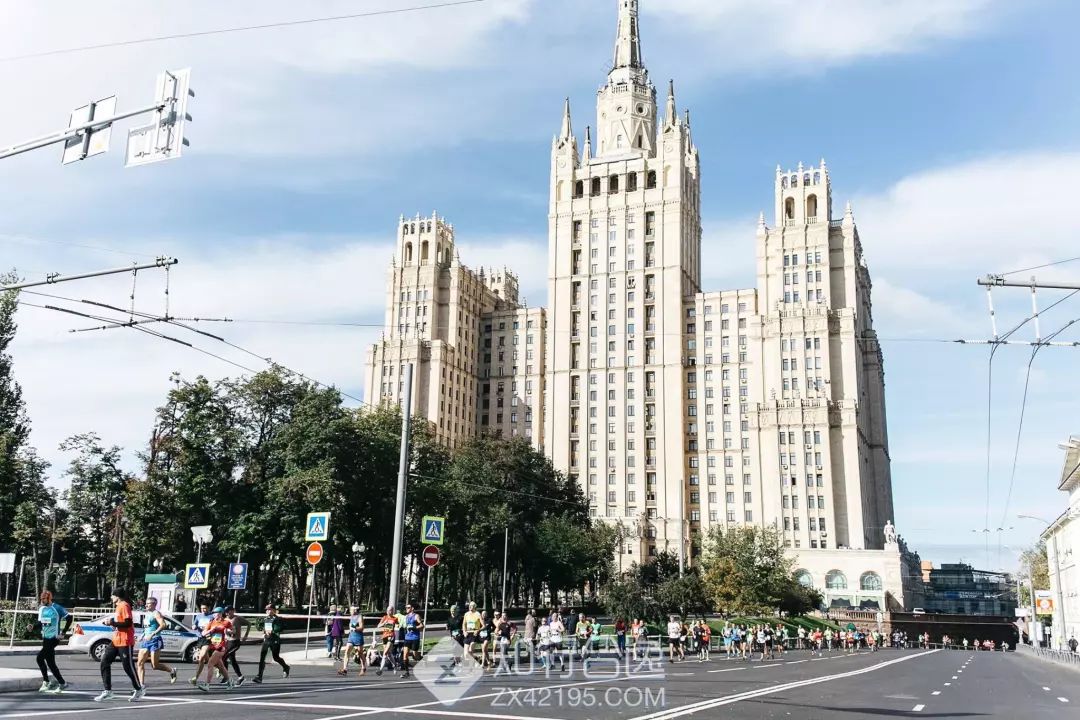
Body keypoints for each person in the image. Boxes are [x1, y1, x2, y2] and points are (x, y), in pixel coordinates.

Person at [94, 588, 144, 702]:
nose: (111, 597)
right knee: (104, 662)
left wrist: (112, 622)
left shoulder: (124, 605)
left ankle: (139, 689)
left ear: (117, 596)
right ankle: (108, 691)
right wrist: (112, 624)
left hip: (125, 641)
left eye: (112, 595)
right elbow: (120, 623)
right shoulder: (118, 607)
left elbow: (128, 623)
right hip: (116, 640)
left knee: (128, 667)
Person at [32, 590, 71, 693]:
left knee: (39, 658)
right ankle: (62, 683)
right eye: (41, 599)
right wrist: (33, 627)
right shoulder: (42, 609)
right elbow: (41, 623)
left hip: (54, 638)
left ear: (49, 598)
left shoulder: (57, 608)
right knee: (50, 663)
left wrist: (63, 633)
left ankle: (46, 681)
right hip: (45, 637)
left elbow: (69, 618)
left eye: (44, 599)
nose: (42, 600)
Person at [136, 597, 177, 687]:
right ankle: (141, 685)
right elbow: (147, 628)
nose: (146, 605)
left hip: (155, 640)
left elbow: (163, 625)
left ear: (154, 604)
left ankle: (172, 670)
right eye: (146, 603)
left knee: (155, 665)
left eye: (148, 603)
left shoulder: (156, 613)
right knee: (140, 663)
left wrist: (152, 634)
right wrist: (142, 635)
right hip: (146, 641)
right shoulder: (147, 614)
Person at [196, 607, 234, 691]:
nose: (214, 615)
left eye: (216, 613)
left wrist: (228, 631)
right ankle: (230, 681)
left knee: (210, 663)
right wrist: (211, 630)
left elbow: (233, 631)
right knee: (221, 666)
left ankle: (207, 685)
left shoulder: (226, 622)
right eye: (213, 613)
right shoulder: (212, 622)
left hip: (221, 646)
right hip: (212, 646)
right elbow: (203, 633)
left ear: (221, 613)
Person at [253, 604, 290, 683]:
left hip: (275, 640)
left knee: (275, 657)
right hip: (267, 640)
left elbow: (279, 628)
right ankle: (259, 676)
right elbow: (263, 628)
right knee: (262, 658)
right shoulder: (266, 619)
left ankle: (286, 667)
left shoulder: (278, 619)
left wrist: (272, 632)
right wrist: (264, 633)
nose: (268, 611)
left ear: (273, 610)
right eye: (267, 610)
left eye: (269, 609)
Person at [188, 602, 216, 685]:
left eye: (205, 608)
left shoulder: (212, 617)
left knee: (201, 658)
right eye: (202, 608)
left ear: (208, 608)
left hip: (208, 639)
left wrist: (209, 630)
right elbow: (194, 624)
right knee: (207, 660)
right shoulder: (198, 616)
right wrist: (194, 626)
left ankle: (195, 678)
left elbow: (215, 627)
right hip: (200, 638)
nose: (203, 610)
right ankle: (218, 667)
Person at [223, 607, 249, 685]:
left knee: (224, 657)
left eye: (228, 612)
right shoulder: (225, 619)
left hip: (235, 642)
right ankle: (240, 677)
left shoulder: (237, 618)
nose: (227, 613)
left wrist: (245, 635)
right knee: (232, 660)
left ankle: (226, 676)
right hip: (227, 641)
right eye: (226, 612)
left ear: (233, 611)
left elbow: (249, 624)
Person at [339, 606, 368, 676]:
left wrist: (355, 628)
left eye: (351, 610)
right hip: (351, 637)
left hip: (358, 637)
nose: (350, 611)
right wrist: (349, 630)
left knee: (360, 653)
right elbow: (351, 626)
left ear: (355, 610)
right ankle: (345, 669)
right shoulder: (351, 617)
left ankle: (363, 667)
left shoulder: (359, 617)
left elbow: (362, 627)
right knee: (347, 651)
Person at [375, 606, 401, 676]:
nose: (389, 611)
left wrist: (396, 627)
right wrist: (384, 623)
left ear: (393, 611)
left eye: (390, 610)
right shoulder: (384, 617)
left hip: (391, 636)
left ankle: (380, 669)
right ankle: (394, 666)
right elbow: (378, 626)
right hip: (385, 636)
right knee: (389, 654)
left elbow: (398, 625)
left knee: (385, 652)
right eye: (388, 610)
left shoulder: (395, 618)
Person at [401, 603, 423, 678]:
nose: (406, 609)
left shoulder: (416, 616)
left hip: (415, 638)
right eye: (406, 607)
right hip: (407, 638)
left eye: (408, 607)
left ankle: (421, 660)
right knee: (405, 655)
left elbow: (422, 625)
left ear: (412, 608)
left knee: (415, 655)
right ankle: (407, 672)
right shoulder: (406, 617)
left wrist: (414, 628)